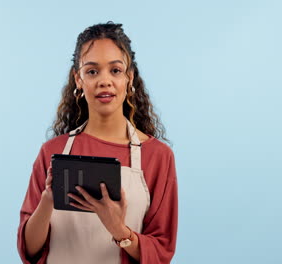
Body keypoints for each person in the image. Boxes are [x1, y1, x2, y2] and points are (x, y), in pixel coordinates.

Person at [16, 21, 178, 264]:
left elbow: (161, 252)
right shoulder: (52, 152)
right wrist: (48, 199)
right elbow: (29, 250)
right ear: (78, 79)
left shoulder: (157, 156)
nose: (104, 81)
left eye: (115, 70)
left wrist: (119, 229)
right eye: (92, 71)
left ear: (129, 77)